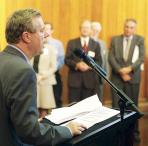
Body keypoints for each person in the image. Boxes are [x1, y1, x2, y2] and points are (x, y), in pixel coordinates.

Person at [0, 8, 86, 146]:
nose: (46, 34)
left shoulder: (3, 59)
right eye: (41, 30)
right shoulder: (23, 71)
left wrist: (31, 122)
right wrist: (67, 130)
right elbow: (30, 133)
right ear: (26, 36)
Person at [109, 18, 145, 142]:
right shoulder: (115, 39)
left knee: (133, 107)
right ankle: (116, 134)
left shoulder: (140, 40)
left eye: (131, 27)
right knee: (116, 107)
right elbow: (111, 57)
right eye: (126, 27)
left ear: (135, 29)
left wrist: (129, 69)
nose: (128, 29)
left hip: (133, 78)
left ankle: (133, 134)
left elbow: (141, 57)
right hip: (117, 78)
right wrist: (120, 71)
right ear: (123, 27)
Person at [65, 20, 102, 103]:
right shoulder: (72, 43)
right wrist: (77, 65)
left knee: (88, 108)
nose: (85, 29)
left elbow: (99, 62)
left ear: (90, 30)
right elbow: (67, 60)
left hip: (90, 82)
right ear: (80, 29)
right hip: (74, 81)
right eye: (83, 27)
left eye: (87, 28)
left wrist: (88, 66)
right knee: (73, 107)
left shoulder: (96, 44)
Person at [33, 23, 57, 118]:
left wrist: (42, 76)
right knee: (35, 106)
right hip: (33, 80)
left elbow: (53, 67)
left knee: (44, 107)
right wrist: (34, 75)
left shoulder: (51, 48)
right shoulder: (34, 47)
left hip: (46, 81)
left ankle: (43, 126)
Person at [46, 23, 65, 108]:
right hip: (41, 75)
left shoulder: (58, 44)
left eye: (48, 29)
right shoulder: (39, 42)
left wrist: (52, 70)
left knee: (56, 97)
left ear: (52, 30)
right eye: (44, 28)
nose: (46, 31)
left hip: (54, 74)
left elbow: (61, 59)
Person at [91, 21, 109, 102]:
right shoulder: (86, 42)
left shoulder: (103, 43)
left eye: (97, 31)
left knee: (98, 100)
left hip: (99, 77)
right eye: (93, 30)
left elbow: (105, 61)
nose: (95, 32)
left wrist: (106, 76)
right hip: (88, 76)